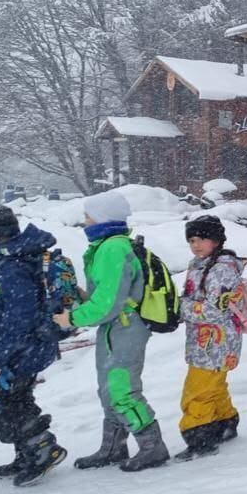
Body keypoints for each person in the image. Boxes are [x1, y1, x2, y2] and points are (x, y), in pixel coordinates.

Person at [55, 191, 170, 472]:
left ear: (102, 218)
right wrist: (84, 298)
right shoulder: (107, 246)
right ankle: (114, 447)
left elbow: (108, 303)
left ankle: (152, 446)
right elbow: (107, 295)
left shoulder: (113, 248)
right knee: (108, 389)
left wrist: (71, 318)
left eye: (88, 217)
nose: (84, 223)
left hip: (126, 328)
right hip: (116, 328)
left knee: (121, 388)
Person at [0, 203, 67, 487]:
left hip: (22, 351)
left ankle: (44, 450)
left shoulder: (12, 266)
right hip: (25, 348)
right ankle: (26, 453)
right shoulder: (16, 259)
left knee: (11, 403)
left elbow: (18, 319)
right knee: (16, 399)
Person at [176, 215, 247, 461]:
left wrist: (179, 308)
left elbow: (214, 309)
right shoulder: (199, 264)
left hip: (216, 341)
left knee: (197, 391)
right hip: (205, 340)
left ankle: (200, 438)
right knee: (214, 386)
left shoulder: (222, 270)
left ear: (215, 240)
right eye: (192, 240)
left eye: (202, 239)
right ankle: (224, 422)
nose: (196, 245)